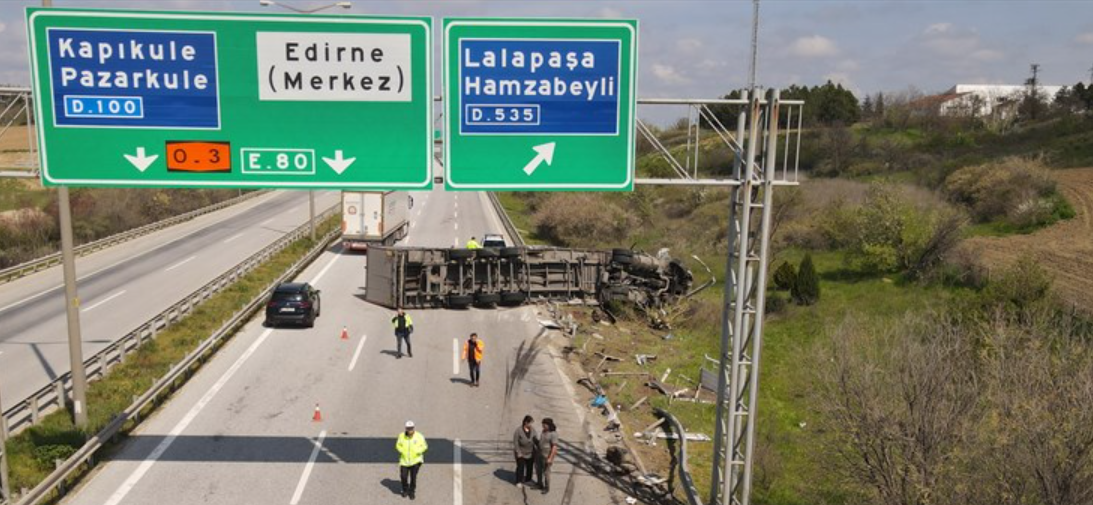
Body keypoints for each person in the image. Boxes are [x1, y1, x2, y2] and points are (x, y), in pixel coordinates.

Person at [396, 420, 428, 500]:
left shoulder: (419, 436)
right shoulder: (401, 436)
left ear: (414, 428)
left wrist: (418, 451)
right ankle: (405, 489)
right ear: (405, 428)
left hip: (416, 461)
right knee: (403, 476)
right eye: (408, 428)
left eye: (411, 428)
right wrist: (402, 451)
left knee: (413, 477)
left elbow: (425, 446)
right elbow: (398, 445)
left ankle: (412, 491)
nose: (410, 430)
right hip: (404, 461)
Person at [513, 415, 537, 489]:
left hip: (530, 452)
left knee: (529, 467)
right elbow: (515, 442)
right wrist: (518, 452)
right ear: (526, 422)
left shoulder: (532, 430)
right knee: (521, 467)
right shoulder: (518, 431)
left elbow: (535, 439)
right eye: (530, 423)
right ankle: (518, 481)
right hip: (521, 452)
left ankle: (528, 479)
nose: (531, 425)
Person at [536, 418, 559, 494]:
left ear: (548, 425)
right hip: (539, 454)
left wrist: (550, 458)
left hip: (546, 456)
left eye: (544, 424)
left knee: (546, 473)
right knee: (538, 470)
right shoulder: (544, 431)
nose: (542, 426)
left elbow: (554, 447)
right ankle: (539, 484)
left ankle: (547, 487)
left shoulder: (553, 434)